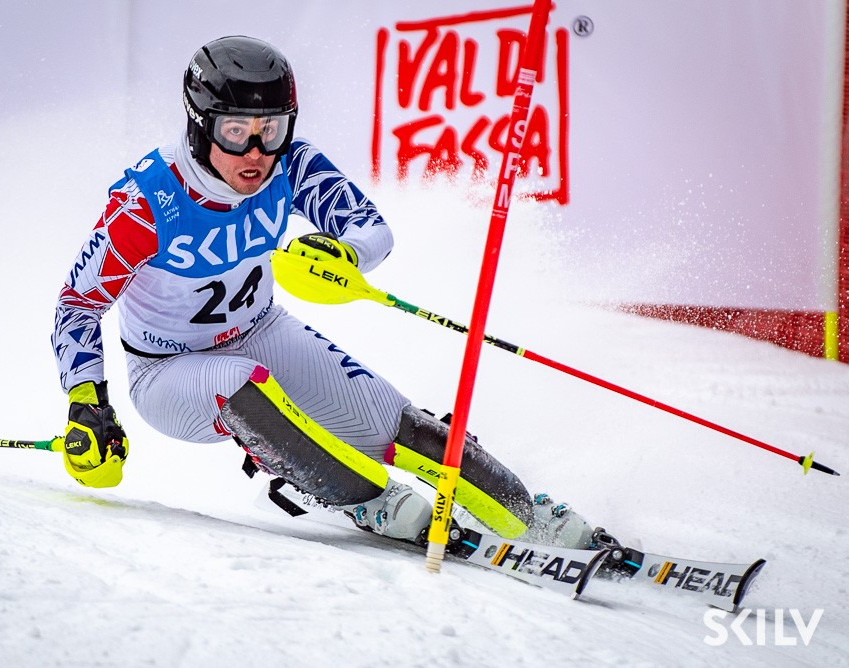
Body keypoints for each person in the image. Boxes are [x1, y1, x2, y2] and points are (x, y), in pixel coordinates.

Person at [51, 35, 618, 552]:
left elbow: (372, 228)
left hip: (261, 330)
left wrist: (343, 253)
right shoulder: (147, 202)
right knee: (242, 385)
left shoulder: (290, 166)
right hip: (167, 371)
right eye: (235, 132)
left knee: (404, 427)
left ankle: (530, 518)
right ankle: (368, 501)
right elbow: (77, 304)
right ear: (201, 125)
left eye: (272, 129)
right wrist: (87, 402)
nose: (256, 152)